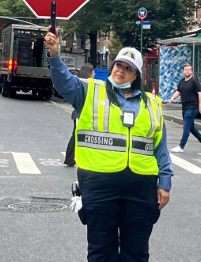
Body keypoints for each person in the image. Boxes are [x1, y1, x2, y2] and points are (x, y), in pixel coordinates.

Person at [45, 28, 172, 262]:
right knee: (101, 251)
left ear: (137, 75)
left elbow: (160, 148)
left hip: (141, 188)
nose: (121, 71)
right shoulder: (91, 91)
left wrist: (165, 182)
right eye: (118, 65)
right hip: (99, 186)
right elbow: (63, 81)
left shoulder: (152, 104)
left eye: (128, 68)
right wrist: (54, 54)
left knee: (137, 252)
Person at [168, 64, 201, 153]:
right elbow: (178, 91)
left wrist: (200, 106)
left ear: (191, 71)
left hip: (192, 107)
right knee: (191, 127)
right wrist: (172, 98)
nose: (187, 71)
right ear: (183, 71)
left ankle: (181, 146)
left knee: (186, 127)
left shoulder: (194, 81)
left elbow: (200, 93)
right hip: (185, 107)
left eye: (189, 69)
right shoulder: (182, 81)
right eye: (185, 69)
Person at [63, 63, 94, 167]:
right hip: (81, 114)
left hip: (81, 113)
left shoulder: (84, 82)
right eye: (93, 71)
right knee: (76, 136)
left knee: (77, 136)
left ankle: (70, 158)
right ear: (89, 72)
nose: (94, 73)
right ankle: (70, 158)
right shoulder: (85, 83)